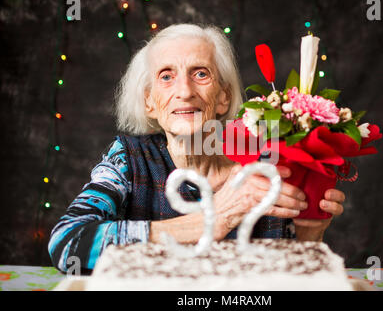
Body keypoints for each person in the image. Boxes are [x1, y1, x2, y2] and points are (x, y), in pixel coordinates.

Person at [48, 23, 345, 273]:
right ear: (149, 102)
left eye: (200, 74)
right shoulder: (128, 159)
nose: (185, 91)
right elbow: (67, 243)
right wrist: (210, 220)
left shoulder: (267, 161)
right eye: (167, 76)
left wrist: (310, 233)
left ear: (223, 98)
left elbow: (292, 278)